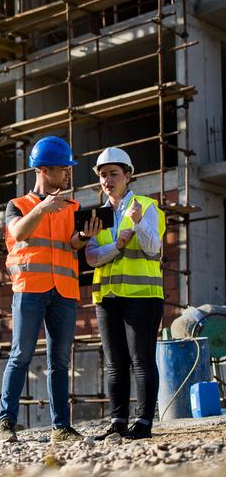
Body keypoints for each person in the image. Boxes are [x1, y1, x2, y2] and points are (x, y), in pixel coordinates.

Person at [0, 136, 103, 443]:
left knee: (59, 361)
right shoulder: (17, 205)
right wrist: (42, 209)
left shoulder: (73, 206)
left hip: (65, 291)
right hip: (30, 289)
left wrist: (84, 235)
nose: (68, 174)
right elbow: (18, 232)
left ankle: (61, 427)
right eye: (62, 168)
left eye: (68, 168)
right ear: (43, 170)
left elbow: (72, 244)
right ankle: (6, 423)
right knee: (21, 355)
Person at [86, 147, 165, 441]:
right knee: (114, 362)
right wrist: (116, 246)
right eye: (103, 175)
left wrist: (139, 221)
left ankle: (143, 423)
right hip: (106, 297)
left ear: (128, 176)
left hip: (143, 294)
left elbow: (153, 248)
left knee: (142, 359)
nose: (107, 180)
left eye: (113, 174)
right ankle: (117, 422)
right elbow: (92, 257)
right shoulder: (98, 214)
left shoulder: (147, 206)